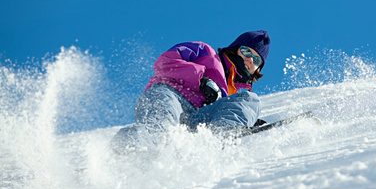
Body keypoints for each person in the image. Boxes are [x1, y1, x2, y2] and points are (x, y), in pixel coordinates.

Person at [111, 30, 271, 155]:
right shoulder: (205, 52)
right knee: (159, 131)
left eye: (256, 60)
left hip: (194, 124)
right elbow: (164, 63)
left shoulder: (232, 94)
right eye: (247, 52)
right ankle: (129, 150)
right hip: (170, 96)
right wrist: (201, 79)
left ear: (258, 69)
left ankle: (221, 136)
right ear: (235, 49)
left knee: (249, 100)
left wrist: (243, 121)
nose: (250, 60)